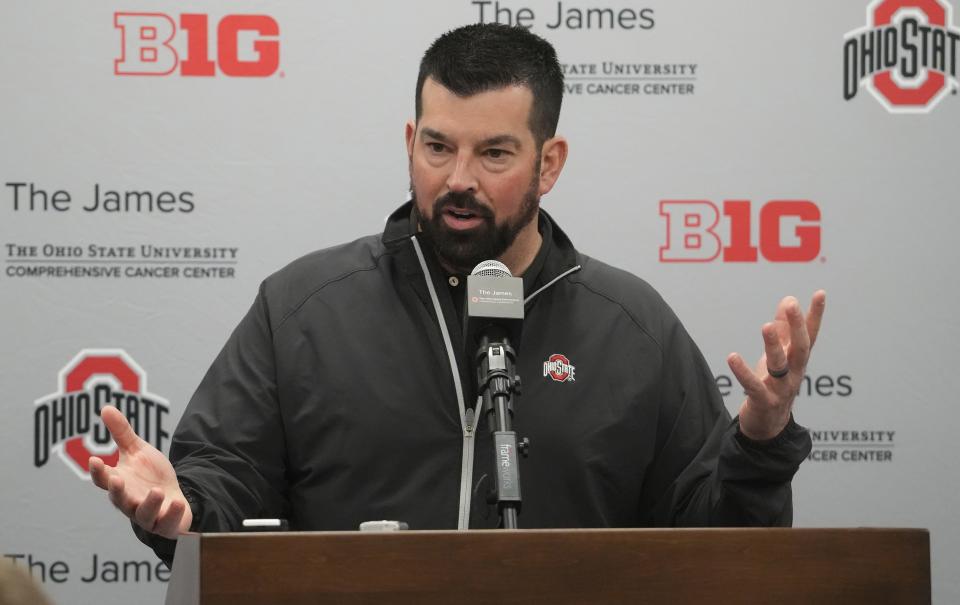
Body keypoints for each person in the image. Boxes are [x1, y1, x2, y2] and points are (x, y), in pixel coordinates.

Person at [89, 23, 826, 566]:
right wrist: (181, 505)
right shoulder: (304, 309)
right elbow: (225, 480)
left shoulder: (633, 330)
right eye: (437, 147)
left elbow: (721, 547)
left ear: (550, 162)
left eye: (495, 153)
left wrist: (758, 446)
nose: (458, 180)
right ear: (410, 139)